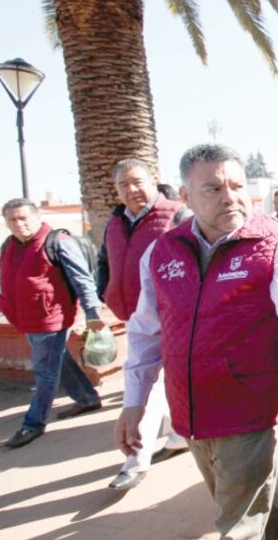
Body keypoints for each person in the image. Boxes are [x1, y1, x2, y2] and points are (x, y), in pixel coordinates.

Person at [116, 144, 278, 538]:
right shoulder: (161, 253)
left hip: (247, 409)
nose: (229, 197)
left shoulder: (276, 246)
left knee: (238, 524)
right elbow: (146, 333)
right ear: (185, 196)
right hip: (191, 411)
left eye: (236, 185)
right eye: (213, 189)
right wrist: (134, 402)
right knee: (249, 499)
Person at [97, 159, 191, 489]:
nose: (131, 190)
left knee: (145, 384)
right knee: (158, 380)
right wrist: (106, 293)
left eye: (137, 181)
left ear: (154, 179)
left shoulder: (176, 214)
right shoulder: (115, 223)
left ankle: (135, 462)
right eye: (123, 185)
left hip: (170, 315)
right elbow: (104, 262)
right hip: (133, 315)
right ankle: (179, 436)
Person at [0, 199, 104, 449]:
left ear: (37, 217)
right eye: (12, 219)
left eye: (24, 218)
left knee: (45, 372)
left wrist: (92, 313)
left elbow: (82, 279)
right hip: (24, 319)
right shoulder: (9, 245)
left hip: (51, 319)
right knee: (59, 359)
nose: (19, 223)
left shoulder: (57, 242)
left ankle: (33, 424)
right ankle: (87, 398)